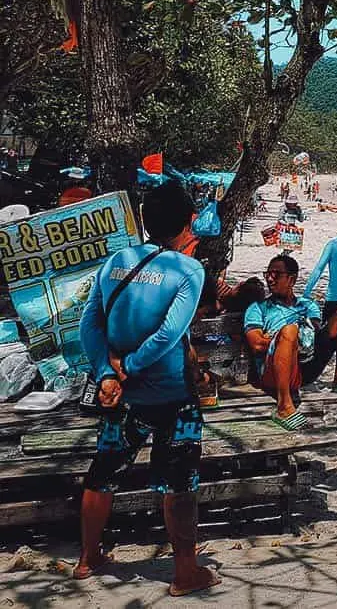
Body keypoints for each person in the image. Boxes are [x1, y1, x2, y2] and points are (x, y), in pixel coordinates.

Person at [75, 181, 219, 595]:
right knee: (181, 484)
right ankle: (184, 573)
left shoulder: (118, 259)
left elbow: (90, 323)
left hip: (119, 396)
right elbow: (168, 334)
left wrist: (107, 372)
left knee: (102, 472)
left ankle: (88, 559)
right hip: (172, 396)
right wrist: (131, 369)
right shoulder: (188, 270)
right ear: (189, 221)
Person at [245, 253, 337, 430]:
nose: (270, 279)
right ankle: (283, 406)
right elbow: (256, 343)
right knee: (290, 331)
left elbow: (316, 333)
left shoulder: (307, 304)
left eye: (276, 274)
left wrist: (296, 337)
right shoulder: (258, 309)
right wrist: (284, 340)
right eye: (268, 274)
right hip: (274, 371)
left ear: (291, 279)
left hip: (307, 363)